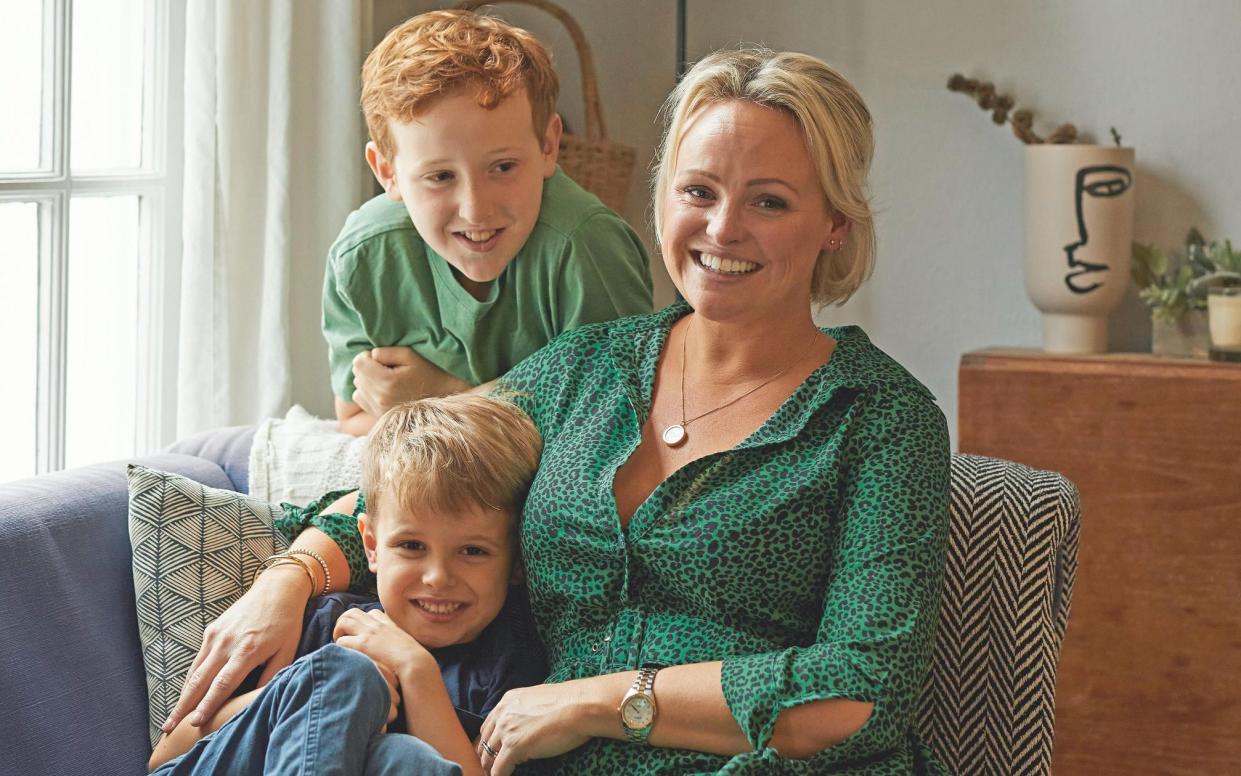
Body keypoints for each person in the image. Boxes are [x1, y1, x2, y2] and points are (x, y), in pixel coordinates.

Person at [167, 47, 952, 774]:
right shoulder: (587, 368)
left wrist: (600, 699)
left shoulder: (879, 417)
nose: (721, 229)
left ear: (834, 225)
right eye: (697, 192)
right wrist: (287, 581)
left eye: (769, 202)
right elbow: (416, 488)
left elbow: (859, 694)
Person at [148, 396, 546, 775]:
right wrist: (309, 696)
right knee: (348, 673)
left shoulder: (513, 659)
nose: (438, 577)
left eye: (473, 551)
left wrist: (415, 670)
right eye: (411, 546)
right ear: (371, 546)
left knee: (408, 760)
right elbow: (166, 755)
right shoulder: (326, 622)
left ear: (515, 562)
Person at [327, 10, 654, 436]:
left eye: (502, 167)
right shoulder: (364, 255)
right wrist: (498, 401)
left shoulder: (587, 247)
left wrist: (441, 395)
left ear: (549, 146)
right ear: (387, 172)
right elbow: (353, 417)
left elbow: (613, 426)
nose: (476, 210)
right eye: (440, 177)